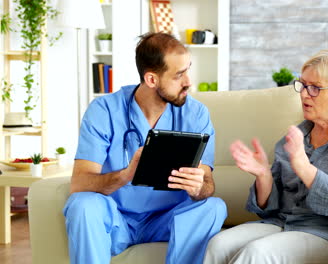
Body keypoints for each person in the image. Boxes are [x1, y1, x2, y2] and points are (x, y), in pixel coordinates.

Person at [204, 50, 328, 264]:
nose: (304, 94)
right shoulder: (295, 137)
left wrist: (305, 168)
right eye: (302, 85)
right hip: (283, 223)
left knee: (258, 253)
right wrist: (264, 176)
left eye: (315, 88)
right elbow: (269, 209)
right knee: (218, 245)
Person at [63, 32, 227, 264]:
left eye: (188, 70)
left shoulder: (196, 114)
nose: (189, 81)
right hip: (116, 219)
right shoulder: (104, 110)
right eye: (179, 74)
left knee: (213, 206)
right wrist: (124, 175)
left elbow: (207, 184)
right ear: (151, 79)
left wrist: (198, 187)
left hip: (168, 222)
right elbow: (79, 183)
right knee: (82, 205)